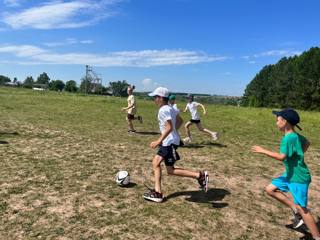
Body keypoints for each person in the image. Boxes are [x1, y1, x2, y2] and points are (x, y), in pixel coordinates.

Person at [251, 108, 320, 240]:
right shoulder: (295, 136)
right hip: (290, 174)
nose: (276, 122)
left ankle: (317, 237)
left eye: (277, 120)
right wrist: (297, 156)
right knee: (270, 189)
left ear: (285, 122)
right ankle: (295, 210)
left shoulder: (288, 139)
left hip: (298, 177)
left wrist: (262, 150)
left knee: (303, 209)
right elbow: (307, 143)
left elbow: (281, 157)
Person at [143, 87, 209, 203]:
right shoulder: (171, 108)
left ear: (161, 98)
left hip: (168, 142)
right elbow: (179, 121)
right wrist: (174, 133)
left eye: (155, 97)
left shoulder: (163, 110)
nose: (154, 100)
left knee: (156, 163)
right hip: (171, 141)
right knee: (170, 170)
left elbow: (169, 127)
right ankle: (199, 175)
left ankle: (158, 193)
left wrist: (158, 141)